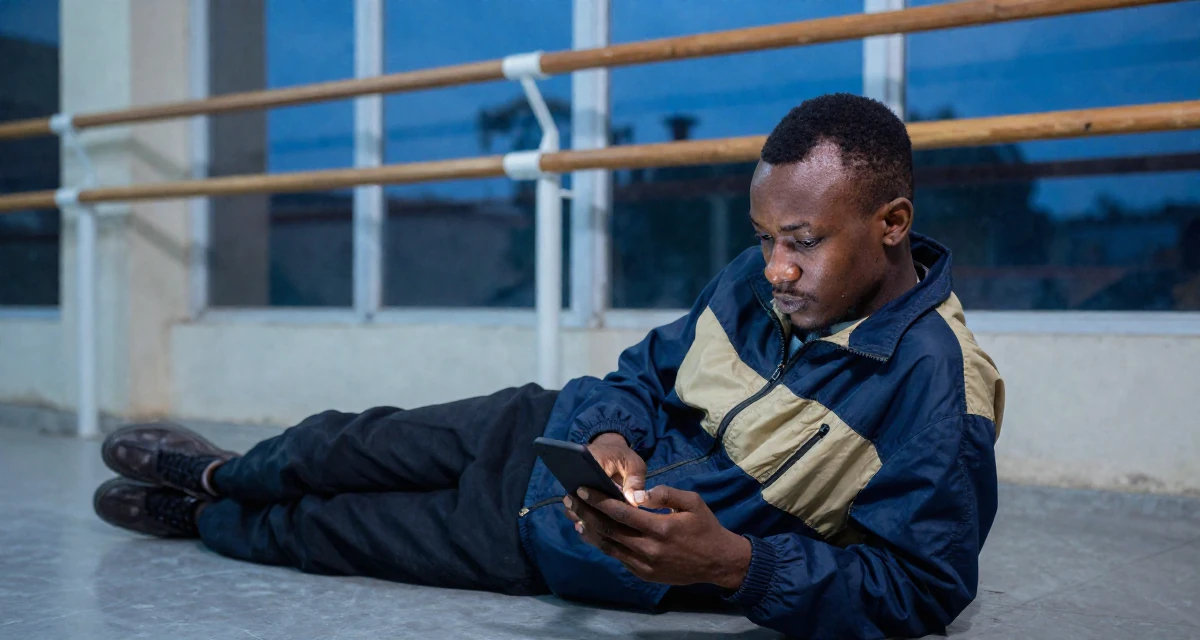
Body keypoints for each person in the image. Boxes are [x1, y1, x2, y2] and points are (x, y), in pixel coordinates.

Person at [93, 93, 1003, 639]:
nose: (774, 267)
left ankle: (204, 520)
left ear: (890, 224)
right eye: (765, 238)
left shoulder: (936, 388)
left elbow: (920, 591)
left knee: (329, 532)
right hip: (538, 430)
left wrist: (734, 566)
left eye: (800, 242)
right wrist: (608, 432)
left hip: (561, 550)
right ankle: (217, 469)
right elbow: (645, 372)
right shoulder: (762, 279)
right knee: (339, 445)